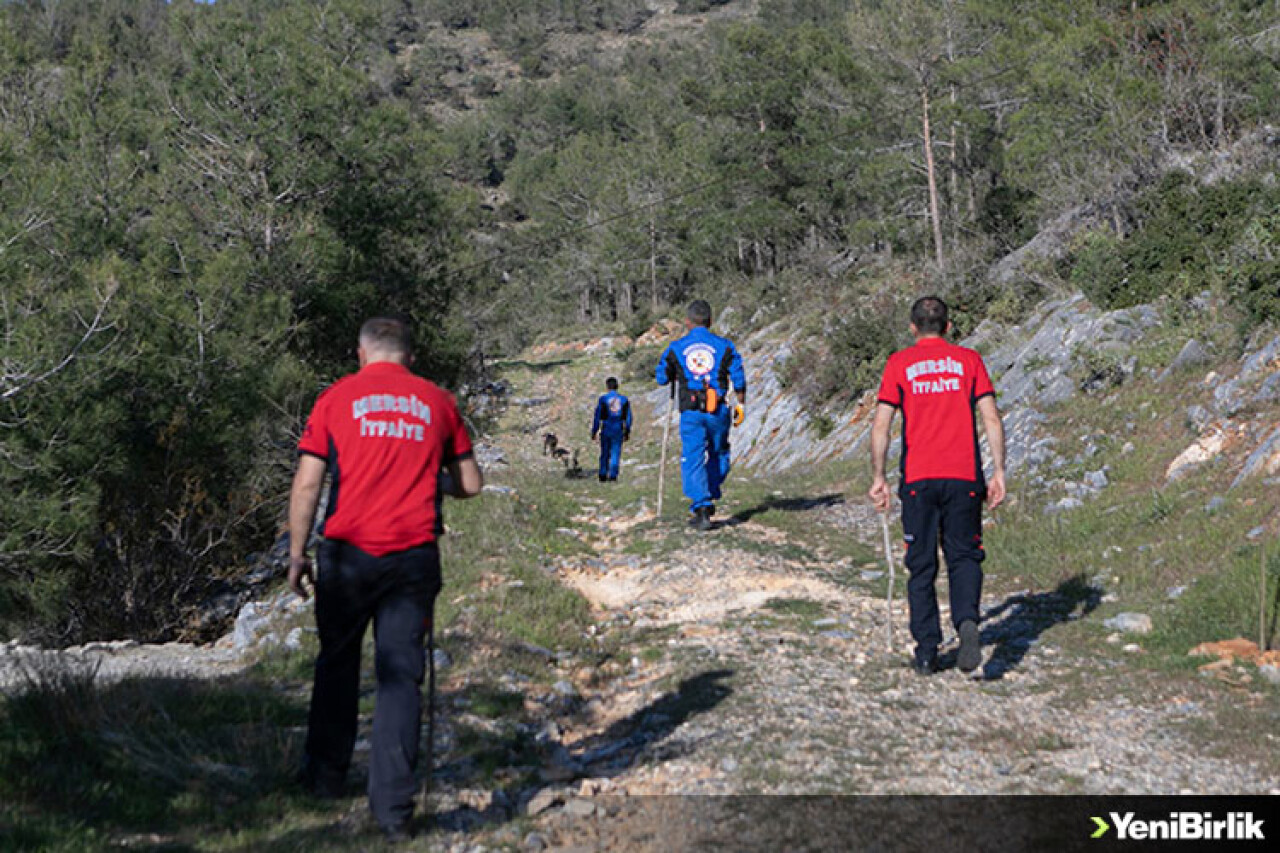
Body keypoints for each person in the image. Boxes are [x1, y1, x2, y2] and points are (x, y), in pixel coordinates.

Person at [287, 316, 483, 840]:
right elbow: (471, 483)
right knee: (400, 678)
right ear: (411, 357)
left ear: (361, 353)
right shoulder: (438, 402)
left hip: (347, 554)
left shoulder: (336, 398)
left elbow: (308, 483)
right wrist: (432, 476)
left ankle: (325, 777)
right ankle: (393, 813)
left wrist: (296, 553)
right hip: (412, 557)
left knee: (337, 663)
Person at [868, 296, 1006, 676]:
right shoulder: (969, 361)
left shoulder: (899, 364)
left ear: (913, 328)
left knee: (922, 563)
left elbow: (881, 426)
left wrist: (878, 478)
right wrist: (999, 472)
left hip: (919, 479)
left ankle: (927, 650)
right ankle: (967, 625)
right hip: (963, 476)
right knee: (964, 556)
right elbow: (991, 419)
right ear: (948, 327)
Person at [656, 299, 746, 531]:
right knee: (720, 452)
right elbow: (739, 379)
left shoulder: (676, 347)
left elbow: (661, 378)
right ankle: (710, 491)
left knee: (693, 457)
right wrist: (742, 405)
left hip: (691, 413)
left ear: (687, 322)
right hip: (718, 410)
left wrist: (675, 371)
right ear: (710, 320)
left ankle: (702, 505)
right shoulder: (725, 346)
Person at [591, 376, 632, 482]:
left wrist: (594, 430)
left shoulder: (603, 399)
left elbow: (597, 416)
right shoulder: (624, 400)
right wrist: (627, 430)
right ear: (617, 386)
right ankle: (613, 475)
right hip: (618, 428)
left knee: (604, 452)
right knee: (615, 452)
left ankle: (603, 474)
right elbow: (628, 417)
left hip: (606, 428)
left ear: (607, 387)